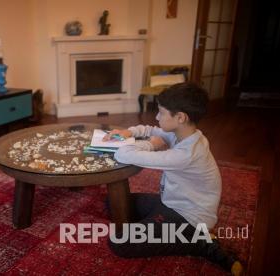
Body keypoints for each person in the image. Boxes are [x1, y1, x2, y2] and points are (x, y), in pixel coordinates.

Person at [103, 82, 243, 275]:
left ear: (180, 117)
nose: (157, 117)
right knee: (113, 203)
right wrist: (130, 132)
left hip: (189, 216)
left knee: (118, 242)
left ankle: (200, 243)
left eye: (161, 112)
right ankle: (173, 232)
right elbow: (151, 129)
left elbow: (123, 155)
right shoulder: (186, 134)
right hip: (171, 203)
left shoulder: (186, 154)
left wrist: (151, 145)